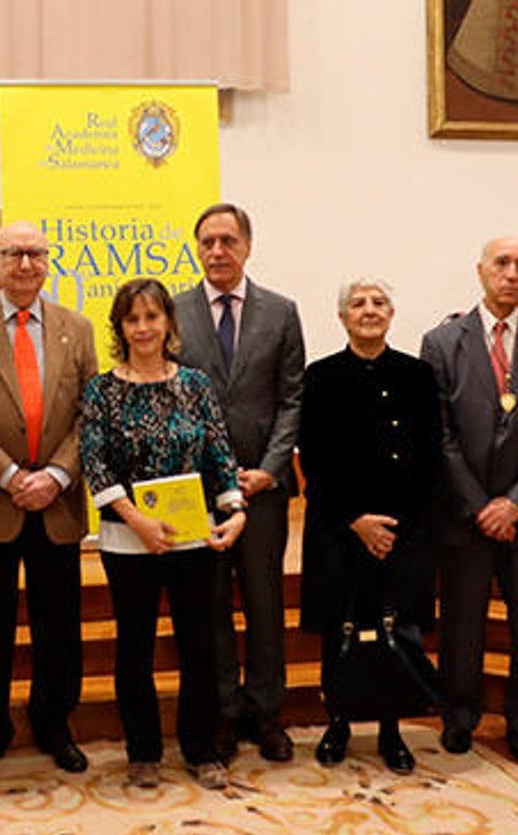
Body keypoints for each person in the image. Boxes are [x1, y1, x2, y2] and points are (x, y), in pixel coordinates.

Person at [80, 278, 247, 791]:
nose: (143, 328)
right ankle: (143, 752)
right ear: (120, 328)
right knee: (135, 648)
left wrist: (235, 511)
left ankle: (200, 749)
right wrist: (138, 521)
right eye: (133, 319)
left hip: (194, 539)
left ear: (169, 324)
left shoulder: (195, 385)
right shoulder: (102, 390)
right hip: (128, 541)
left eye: (152, 317)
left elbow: (219, 453)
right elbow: (95, 462)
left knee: (200, 648)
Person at [0, 221, 98, 778]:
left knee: (59, 624)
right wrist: (10, 476)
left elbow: (90, 414)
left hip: (56, 504)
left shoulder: (76, 329)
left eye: (35, 253)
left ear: (47, 260)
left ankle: (55, 723)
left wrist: (56, 475)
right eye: (13, 253)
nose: (25, 264)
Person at [420, 237, 518, 762]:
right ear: (480, 271)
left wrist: (517, 503)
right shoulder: (441, 342)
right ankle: (459, 716)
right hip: (466, 517)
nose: (511, 273)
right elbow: (438, 434)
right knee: (463, 623)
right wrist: (481, 504)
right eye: (501, 264)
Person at [174, 203, 303, 763]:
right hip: (197, 491)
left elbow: (292, 397)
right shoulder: (173, 311)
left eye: (227, 240)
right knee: (210, 606)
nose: (217, 251)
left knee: (264, 602)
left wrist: (271, 469)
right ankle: (223, 712)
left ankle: (266, 712)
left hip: (262, 489)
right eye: (207, 242)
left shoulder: (281, 311)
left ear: (247, 245)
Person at [299, 279, 440, 775]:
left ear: (392, 313)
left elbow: (430, 457)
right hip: (341, 530)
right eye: (358, 303)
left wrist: (395, 528)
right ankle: (337, 721)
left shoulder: (418, 375)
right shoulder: (319, 377)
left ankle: (390, 730)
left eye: (378, 303)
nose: (369, 310)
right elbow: (314, 459)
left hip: (400, 534)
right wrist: (356, 521)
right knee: (341, 629)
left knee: (395, 629)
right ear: (342, 318)